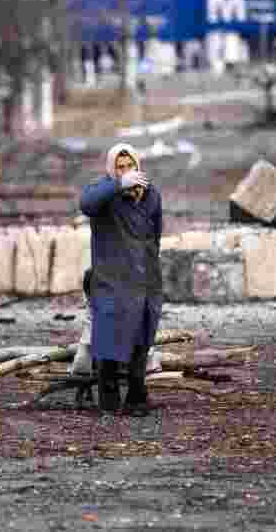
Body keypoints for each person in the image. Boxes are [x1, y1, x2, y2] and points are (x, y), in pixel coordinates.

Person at [79, 143, 163, 415]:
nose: (126, 172)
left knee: (141, 336)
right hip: (111, 279)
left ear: (138, 166)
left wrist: (149, 268)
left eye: (130, 167)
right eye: (120, 167)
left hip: (144, 278)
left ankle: (137, 397)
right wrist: (117, 184)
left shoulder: (151, 195)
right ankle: (109, 399)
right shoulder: (103, 193)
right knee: (109, 337)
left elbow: (155, 235)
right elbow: (86, 204)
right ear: (112, 169)